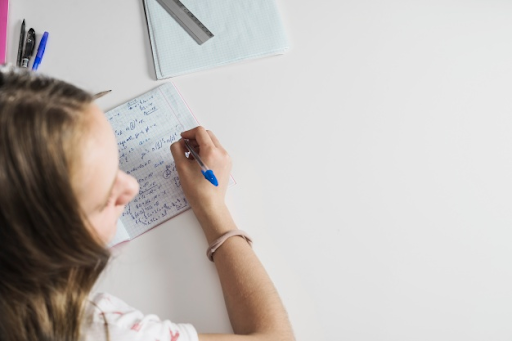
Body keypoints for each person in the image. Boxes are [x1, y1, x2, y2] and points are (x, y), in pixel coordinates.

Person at [0, 65, 294, 341]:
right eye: (105, 196)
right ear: (43, 239)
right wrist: (213, 209)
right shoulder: (92, 328)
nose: (131, 186)